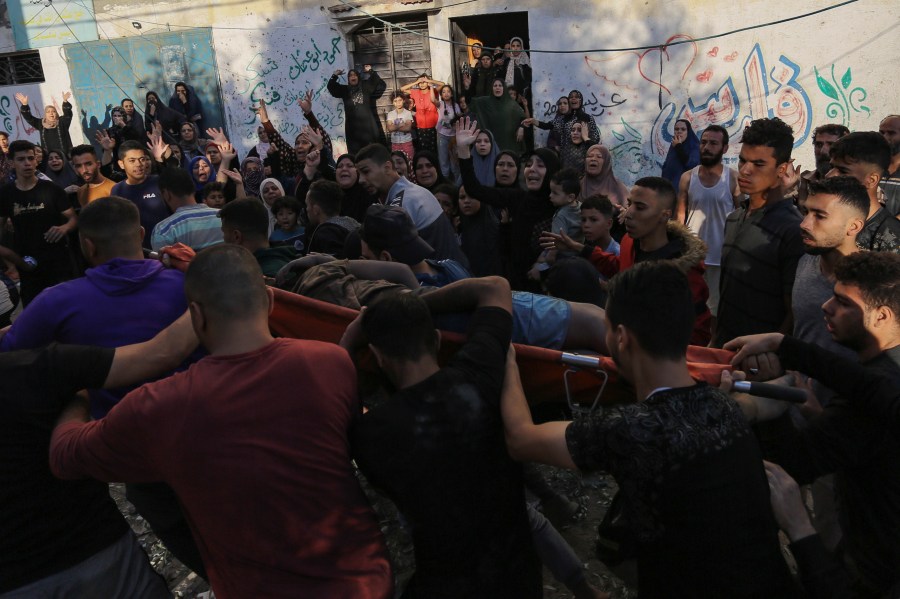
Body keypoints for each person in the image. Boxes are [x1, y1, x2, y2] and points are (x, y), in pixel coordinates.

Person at [49, 244, 394, 599]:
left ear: (195, 316)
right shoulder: (331, 363)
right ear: (270, 302)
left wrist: (79, 392)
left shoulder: (158, 407)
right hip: (367, 582)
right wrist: (345, 349)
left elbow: (64, 454)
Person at [501, 261, 796, 597]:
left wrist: (507, 361)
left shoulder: (630, 430)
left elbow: (520, 440)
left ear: (622, 338)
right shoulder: (723, 406)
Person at [0, 195, 207, 577]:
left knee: (186, 539)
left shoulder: (55, 303)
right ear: (141, 234)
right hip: (209, 436)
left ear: (87, 246)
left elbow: (13, 359)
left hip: (139, 456)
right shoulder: (191, 285)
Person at [341, 275, 542, 598]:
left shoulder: (370, 437)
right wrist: (413, 306)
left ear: (378, 356)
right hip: (518, 580)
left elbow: (335, 408)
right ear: (436, 340)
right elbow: (495, 287)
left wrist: (350, 340)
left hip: (444, 586)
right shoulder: (480, 375)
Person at [725, 251, 900, 597]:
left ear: (881, 316)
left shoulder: (871, 397)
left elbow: (794, 463)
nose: (825, 307)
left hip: (876, 570)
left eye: (841, 302)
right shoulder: (878, 376)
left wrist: (764, 409)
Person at [0, 313, 197, 598]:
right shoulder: (34, 369)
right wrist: (77, 400)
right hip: (97, 552)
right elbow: (161, 352)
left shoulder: (34, 360)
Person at [543, 176, 711, 346]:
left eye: (640, 207)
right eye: (630, 204)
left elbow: (698, 333)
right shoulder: (629, 242)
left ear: (664, 215)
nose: (628, 213)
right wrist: (579, 248)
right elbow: (622, 267)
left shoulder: (684, 271)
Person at [714, 117, 804, 347]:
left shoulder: (793, 229)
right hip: (725, 351)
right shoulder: (734, 218)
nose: (745, 170)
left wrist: (770, 354)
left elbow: (794, 312)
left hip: (760, 365)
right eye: (742, 161)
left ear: (782, 169)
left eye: (758, 164)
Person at [456, 117, 556, 290]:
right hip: (517, 287)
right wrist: (464, 149)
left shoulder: (561, 206)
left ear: (552, 171)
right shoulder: (517, 198)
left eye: (540, 165)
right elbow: (474, 190)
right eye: (529, 164)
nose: (531, 169)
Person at [355, 143, 468, 266]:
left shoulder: (403, 203)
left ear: (387, 167)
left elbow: (401, 263)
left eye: (366, 172)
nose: (360, 180)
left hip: (443, 281)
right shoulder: (412, 192)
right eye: (359, 174)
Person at [677, 124, 741, 323]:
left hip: (721, 258)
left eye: (713, 143)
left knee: (714, 315)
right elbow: (680, 216)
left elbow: (740, 217)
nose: (707, 147)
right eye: (704, 142)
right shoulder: (687, 177)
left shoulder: (732, 178)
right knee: (688, 310)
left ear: (724, 148)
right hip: (693, 258)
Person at [0, 140, 77, 305]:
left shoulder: (52, 189)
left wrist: (64, 228)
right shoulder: (5, 193)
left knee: (67, 307)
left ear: (36, 160)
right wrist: (14, 261)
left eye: (30, 158)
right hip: (29, 265)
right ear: (11, 163)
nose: (27, 163)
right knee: (36, 312)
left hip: (59, 262)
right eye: (21, 159)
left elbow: (73, 219)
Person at [825, 131, 900, 253]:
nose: (829, 175)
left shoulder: (892, 236)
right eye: (831, 167)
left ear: (871, 180)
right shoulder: (827, 222)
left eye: (843, 171)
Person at [110, 140, 169, 250]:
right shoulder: (117, 190)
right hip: (139, 251)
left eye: (142, 159)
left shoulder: (159, 182)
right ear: (121, 164)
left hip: (168, 247)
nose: (139, 164)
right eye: (132, 160)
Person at [220, 198, 299, 278]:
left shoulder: (257, 278)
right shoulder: (289, 259)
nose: (223, 238)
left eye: (224, 232)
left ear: (236, 236)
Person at [152, 167, 223, 252]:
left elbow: (162, 264)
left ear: (166, 194)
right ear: (193, 189)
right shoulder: (223, 217)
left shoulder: (164, 230)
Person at [328, 65, 387, 154]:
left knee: (371, 151)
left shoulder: (365, 87)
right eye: (350, 75)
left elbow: (376, 80)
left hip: (368, 127)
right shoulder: (345, 90)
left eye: (355, 75)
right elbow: (331, 86)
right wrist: (335, 75)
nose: (353, 77)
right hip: (353, 129)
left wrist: (370, 70)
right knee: (356, 153)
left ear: (358, 77)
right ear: (348, 79)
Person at [791, 123, 849, 209]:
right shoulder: (802, 182)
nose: (823, 151)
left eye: (831, 144)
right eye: (819, 145)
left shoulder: (853, 185)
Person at [470, 79, 526, 153]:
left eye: (500, 85)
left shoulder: (511, 104)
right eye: (495, 85)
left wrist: (521, 127)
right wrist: (468, 88)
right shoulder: (485, 102)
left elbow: (523, 117)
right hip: (492, 142)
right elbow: (471, 102)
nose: (497, 87)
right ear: (492, 88)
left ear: (504, 88)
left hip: (508, 142)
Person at [457, 184, 501, 276]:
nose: (466, 201)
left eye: (472, 196)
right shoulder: (458, 226)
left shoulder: (494, 228)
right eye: (462, 197)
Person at [15, 91, 75, 157]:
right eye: (48, 112)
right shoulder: (41, 124)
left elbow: (68, 114)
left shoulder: (62, 122)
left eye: (53, 111)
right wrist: (24, 105)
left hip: (65, 157)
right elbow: (29, 118)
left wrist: (65, 101)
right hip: (49, 158)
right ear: (45, 114)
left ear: (56, 113)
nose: (51, 113)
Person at [402, 73, 444, 154]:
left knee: (434, 149)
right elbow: (402, 89)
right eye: (420, 82)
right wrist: (416, 82)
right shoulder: (415, 92)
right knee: (423, 149)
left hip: (433, 125)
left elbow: (442, 84)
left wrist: (428, 80)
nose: (422, 84)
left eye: (424, 82)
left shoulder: (433, 91)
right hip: (420, 126)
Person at [580, 145, 629, 211]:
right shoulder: (579, 185)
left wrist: (624, 212)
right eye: (590, 156)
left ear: (606, 162)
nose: (593, 159)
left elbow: (629, 210)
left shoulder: (618, 187)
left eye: (599, 157)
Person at [661, 118, 700, 191]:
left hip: (686, 191)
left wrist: (679, 147)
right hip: (669, 190)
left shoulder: (694, 147)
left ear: (688, 131)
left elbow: (692, 166)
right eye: (676, 129)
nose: (679, 131)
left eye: (683, 129)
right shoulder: (673, 146)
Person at [435, 84, 462, 180]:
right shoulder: (441, 104)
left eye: (448, 91)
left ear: (451, 94)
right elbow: (432, 100)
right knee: (443, 159)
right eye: (443, 92)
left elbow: (459, 118)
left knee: (454, 159)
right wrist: (430, 86)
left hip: (454, 136)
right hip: (442, 135)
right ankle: (445, 180)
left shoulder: (456, 105)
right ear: (441, 95)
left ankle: (457, 182)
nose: (446, 93)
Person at [878, 114, 900, 214]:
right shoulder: (873, 166)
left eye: (891, 133)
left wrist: (889, 227)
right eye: (881, 133)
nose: (885, 137)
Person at [386, 91, 414, 159]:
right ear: (393, 102)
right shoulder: (390, 114)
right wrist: (400, 125)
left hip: (406, 143)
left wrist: (394, 126)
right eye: (395, 101)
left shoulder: (407, 113)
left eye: (400, 100)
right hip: (395, 143)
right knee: (397, 163)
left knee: (409, 161)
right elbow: (389, 129)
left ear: (403, 100)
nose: (398, 103)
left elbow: (408, 128)